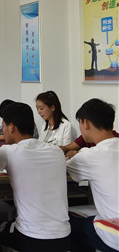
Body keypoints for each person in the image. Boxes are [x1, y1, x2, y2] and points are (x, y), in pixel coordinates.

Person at [0, 102, 70, 251]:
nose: (3, 131)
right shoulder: (56, 151)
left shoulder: (8, 151)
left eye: (3, 126)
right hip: (63, 237)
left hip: (31, 238)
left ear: (11, 127)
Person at [66, 98, 119, 252]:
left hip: (115, 235)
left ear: (86, 123)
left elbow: (59, 169)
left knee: (67, 224)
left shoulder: (90, 155)